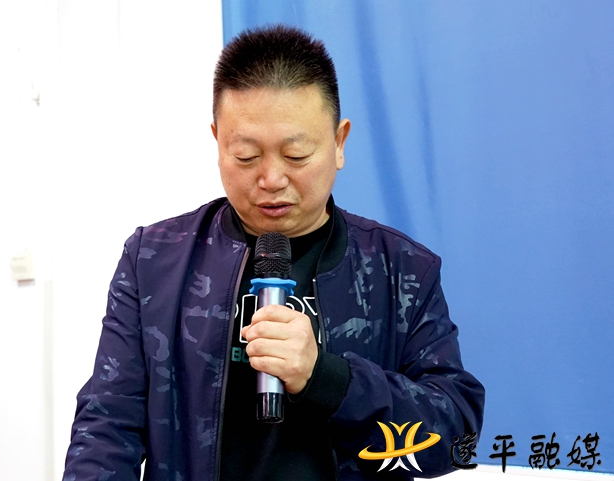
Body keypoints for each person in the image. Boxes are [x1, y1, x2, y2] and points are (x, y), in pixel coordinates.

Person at [62, 25, 485, 481]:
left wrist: (327, 378)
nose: (271, 179)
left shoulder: (401, 269)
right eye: (246, 156)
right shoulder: (153, 260)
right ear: (218, 142)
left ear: (339, 143)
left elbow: (454, 435)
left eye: (296, 155)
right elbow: (106, 427)